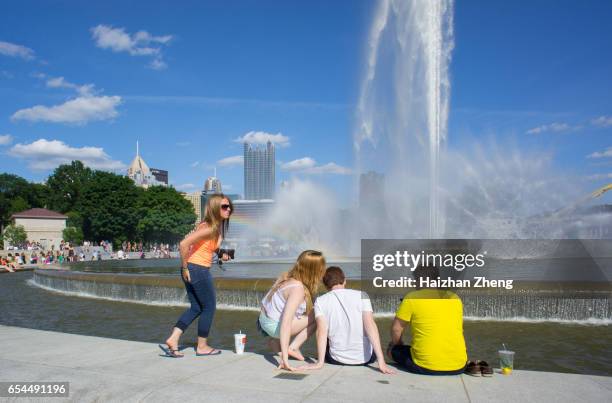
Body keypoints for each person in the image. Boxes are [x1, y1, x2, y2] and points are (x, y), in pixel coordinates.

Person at [160, 194, 234, 358]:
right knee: (209, 307)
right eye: (224, 206)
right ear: (215, 208)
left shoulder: (210, 226)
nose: (228, 209)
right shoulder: (209, 228)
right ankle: (202, 346)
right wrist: (185, 267)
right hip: (197, 268)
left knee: (196, 307)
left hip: (193, 268)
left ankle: (173, 338)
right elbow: (184, 244)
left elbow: (206, 247)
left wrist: (222, 254)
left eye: (229, 206)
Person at [298, 266, 395, 374]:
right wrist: (381, 361)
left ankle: (295, 347)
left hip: (336, 359)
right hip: (366, 359)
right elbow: (370, 326)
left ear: (325, 285)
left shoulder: (320, 301)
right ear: (344, 280)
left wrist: (319, 362)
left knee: (323, 325)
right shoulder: (362, 295)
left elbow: (321, 332)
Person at [387, 264, 468, 375]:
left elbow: (396, 329)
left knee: (392, 350)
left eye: (415, 280)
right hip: (459, 366)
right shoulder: (454, 298)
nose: (414, 284)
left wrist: (398, 344)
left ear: (420, 280)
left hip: (425, 367)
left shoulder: (412, 297)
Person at [258, 250, 326, 371]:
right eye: (321, 269)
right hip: (274, 326)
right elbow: (286, 322)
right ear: (313, 271)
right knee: (319, 316)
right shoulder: (298, 289)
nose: (323, 272)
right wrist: (285, 359)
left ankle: (275, 341)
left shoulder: (287, 277)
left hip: (263, 320)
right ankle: (293, 347)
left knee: (312, 311)